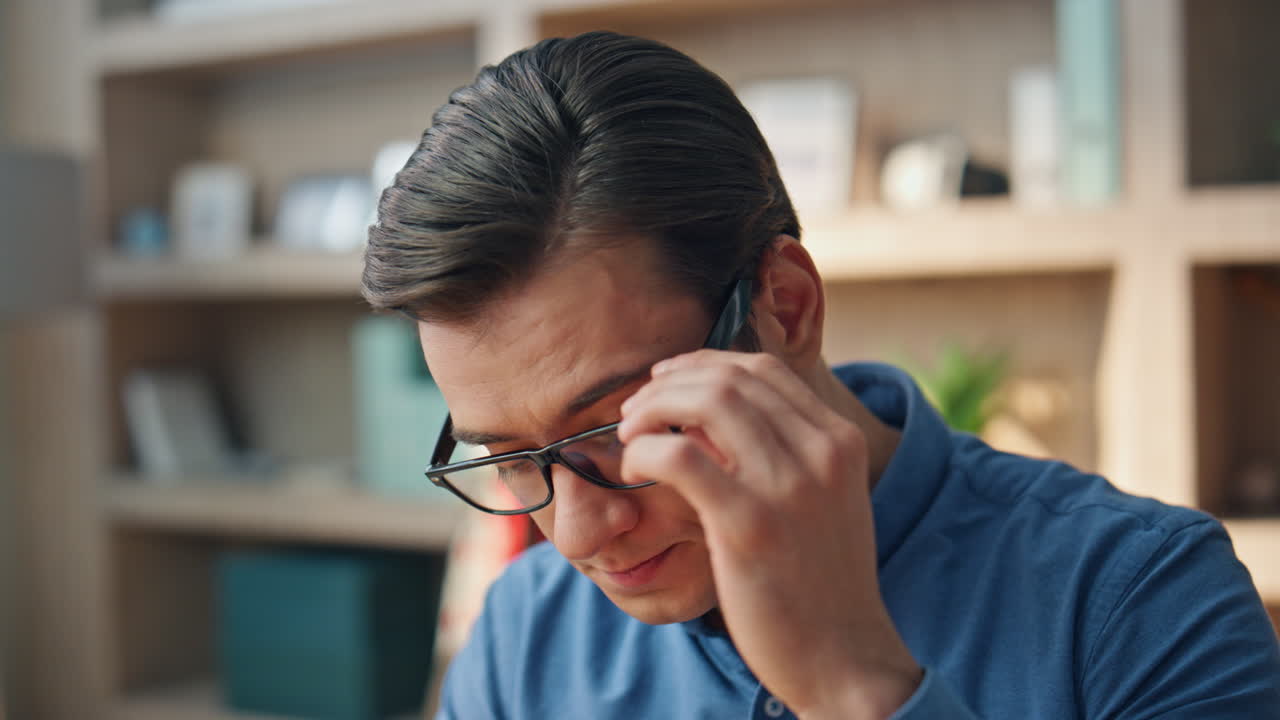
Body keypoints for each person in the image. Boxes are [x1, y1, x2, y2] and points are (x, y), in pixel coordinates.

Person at [362, 31, 1280, 719]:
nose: (578, 533)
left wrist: (855, 683)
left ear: (786, 306)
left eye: (618, 427)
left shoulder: (1138, 599)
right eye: (515, 458)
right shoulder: (529, 631)